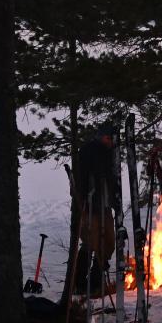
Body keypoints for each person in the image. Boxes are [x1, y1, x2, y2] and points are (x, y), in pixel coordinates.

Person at [70, 122, 121, 297]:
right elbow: (81, 177)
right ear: (101, 137)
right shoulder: (88, 151)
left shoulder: (112, 153)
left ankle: (96, 281)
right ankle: (79, 284)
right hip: (91, 204)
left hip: (106, 206)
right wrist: (82, 198)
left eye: (111, 138)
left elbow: (113, 178)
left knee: (108, 244)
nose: (109, 141)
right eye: (107, 138)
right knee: (90, 242)